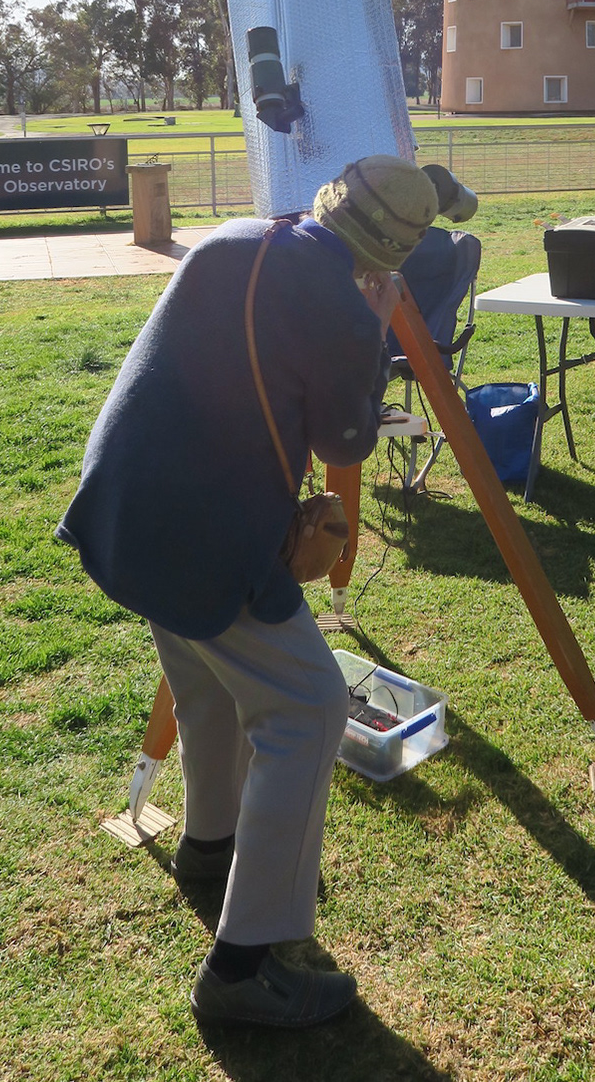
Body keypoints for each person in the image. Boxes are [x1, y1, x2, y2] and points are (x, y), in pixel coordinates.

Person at [56, 155, 447, 1029]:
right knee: (306, 709)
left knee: (207, 685)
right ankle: (244, 967)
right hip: (202, 534)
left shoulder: (236, 239)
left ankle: (211, 845)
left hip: (121, 509)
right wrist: (376, 330)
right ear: (389, 257)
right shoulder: (348, 309)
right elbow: (345, 440)